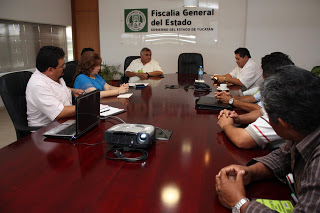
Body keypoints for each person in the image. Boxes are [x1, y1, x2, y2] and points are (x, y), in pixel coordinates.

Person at [216, 66, 320, 212]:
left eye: (267, 115)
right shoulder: (302, 127)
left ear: (282, 123)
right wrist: (250, 172)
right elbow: (283, 157)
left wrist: (240, 204)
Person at [217, 52, 294, 149]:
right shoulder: (286, 91)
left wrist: (226, 125)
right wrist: (238, 118)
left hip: (280, 152)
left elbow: (241, 140)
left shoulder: (282, 108)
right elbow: (261, 111)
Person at [215, 52, 294, 112]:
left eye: (238, 59)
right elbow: (253, 98)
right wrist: (230, 98)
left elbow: (260, 110)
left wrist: (231, 101)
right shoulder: (270, 84)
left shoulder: (282, 90)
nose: (236, 61)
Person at [26, 46, 84, 127]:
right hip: (45, 130)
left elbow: (58, 89)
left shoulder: (55, 76)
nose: (64, 68)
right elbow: (59, 112)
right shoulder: (38, 85)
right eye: (62, 66)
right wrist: (86, 106)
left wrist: (73, 91)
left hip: (65, 121)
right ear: (50, 70)